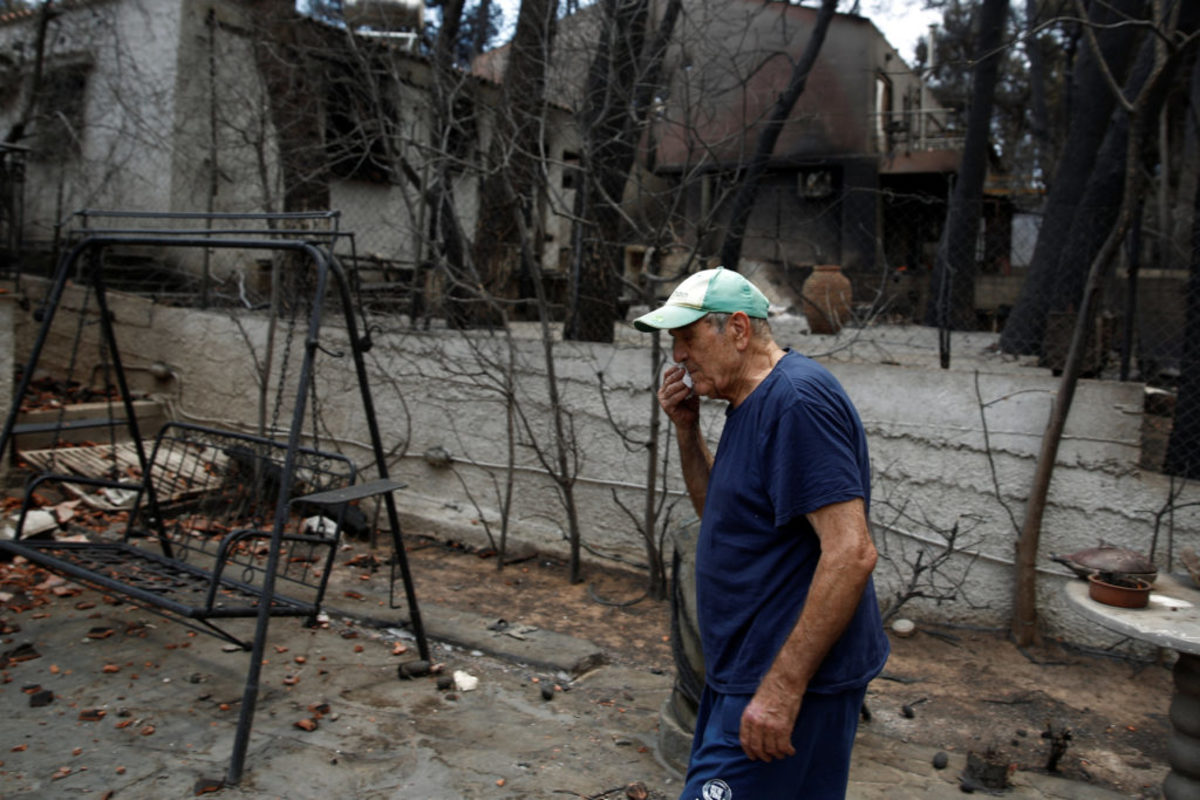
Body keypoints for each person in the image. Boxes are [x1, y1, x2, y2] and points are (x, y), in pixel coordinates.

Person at [634, 267, 889, 799]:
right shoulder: (747, 402)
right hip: (747, 668)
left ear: (739, 331)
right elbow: (722, 515)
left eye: (687, 338)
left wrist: (781, 689)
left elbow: (852, 552)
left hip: (782, 679)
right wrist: (687, 432)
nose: (677, 356)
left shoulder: (796, 403)